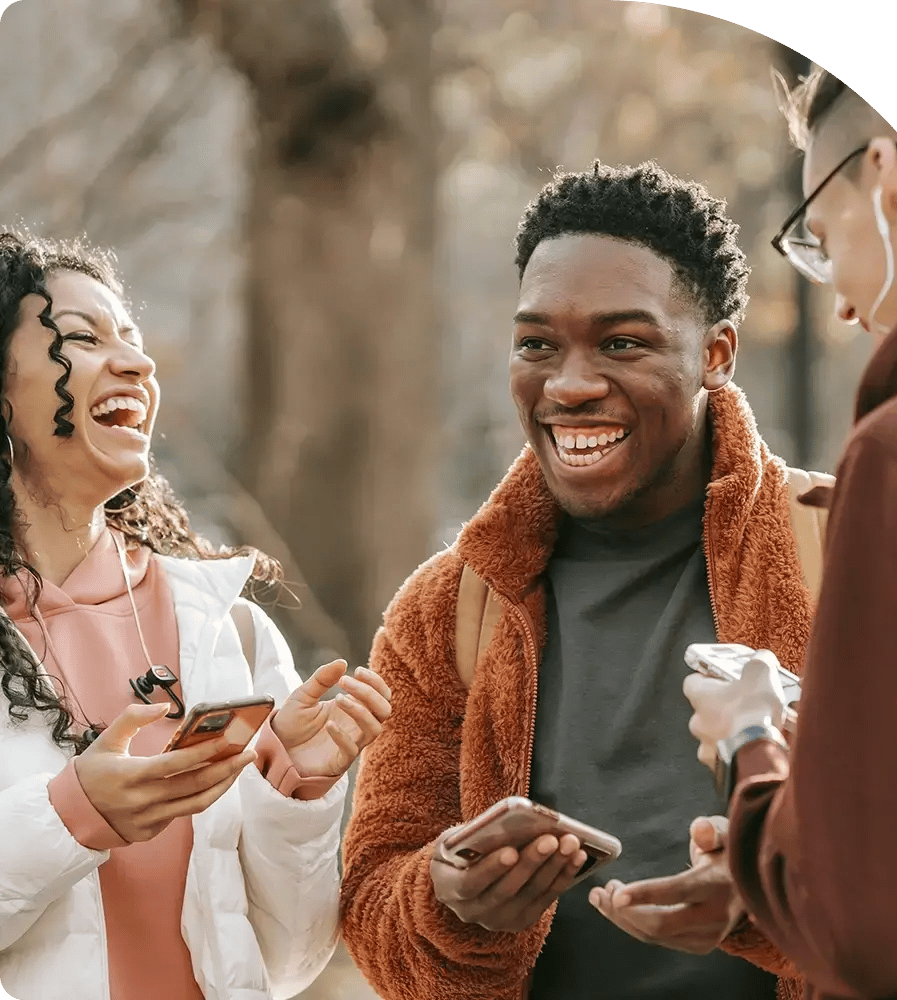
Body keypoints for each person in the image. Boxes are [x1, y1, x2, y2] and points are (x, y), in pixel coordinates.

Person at [340, 161, 825, 1000]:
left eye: (622, 343)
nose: (568, 385)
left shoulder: (848, 550)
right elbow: (374, 905)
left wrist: (769, 894)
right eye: (537, 343)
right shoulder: (446, 610)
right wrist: (451, 901)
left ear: (716, 354)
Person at [653, 67, 897, 1000]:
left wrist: (752, 743)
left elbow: (872, 922)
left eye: (819, 231)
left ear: (886, 172)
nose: (840, 302)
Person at [0, 230, 392, 1000]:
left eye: (134, 342)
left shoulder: (231, 631)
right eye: (77, 338)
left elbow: (288, 959)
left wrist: (294, 791)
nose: (139, 366)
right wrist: (76, 814)